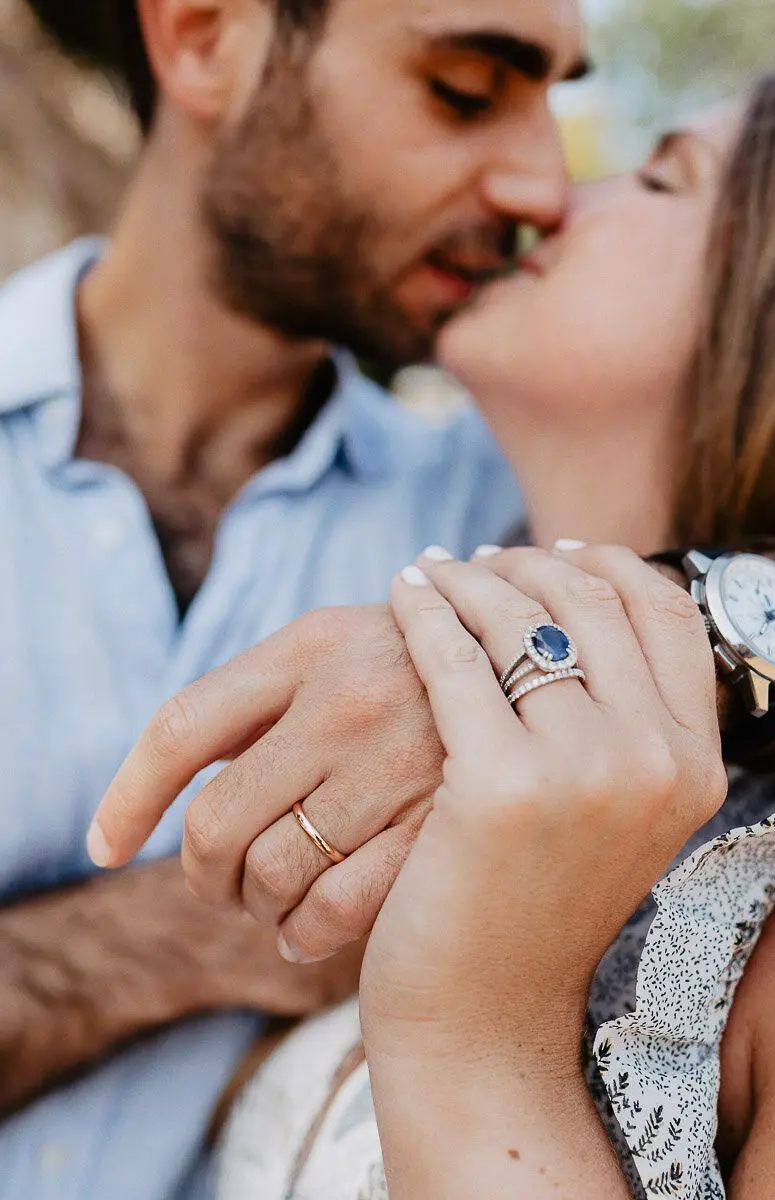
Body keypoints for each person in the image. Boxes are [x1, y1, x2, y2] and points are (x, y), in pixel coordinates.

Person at [95, 69, 775, 1198]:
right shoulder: (418, 537)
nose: (553, 191)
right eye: (464, 89)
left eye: (662, 176)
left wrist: (477, 1031)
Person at [0, 0, 610, 1194]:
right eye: (468, 90)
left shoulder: (511, 526)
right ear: (205, 37)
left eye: (559, 103)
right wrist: (205, 926)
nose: (545, 183)